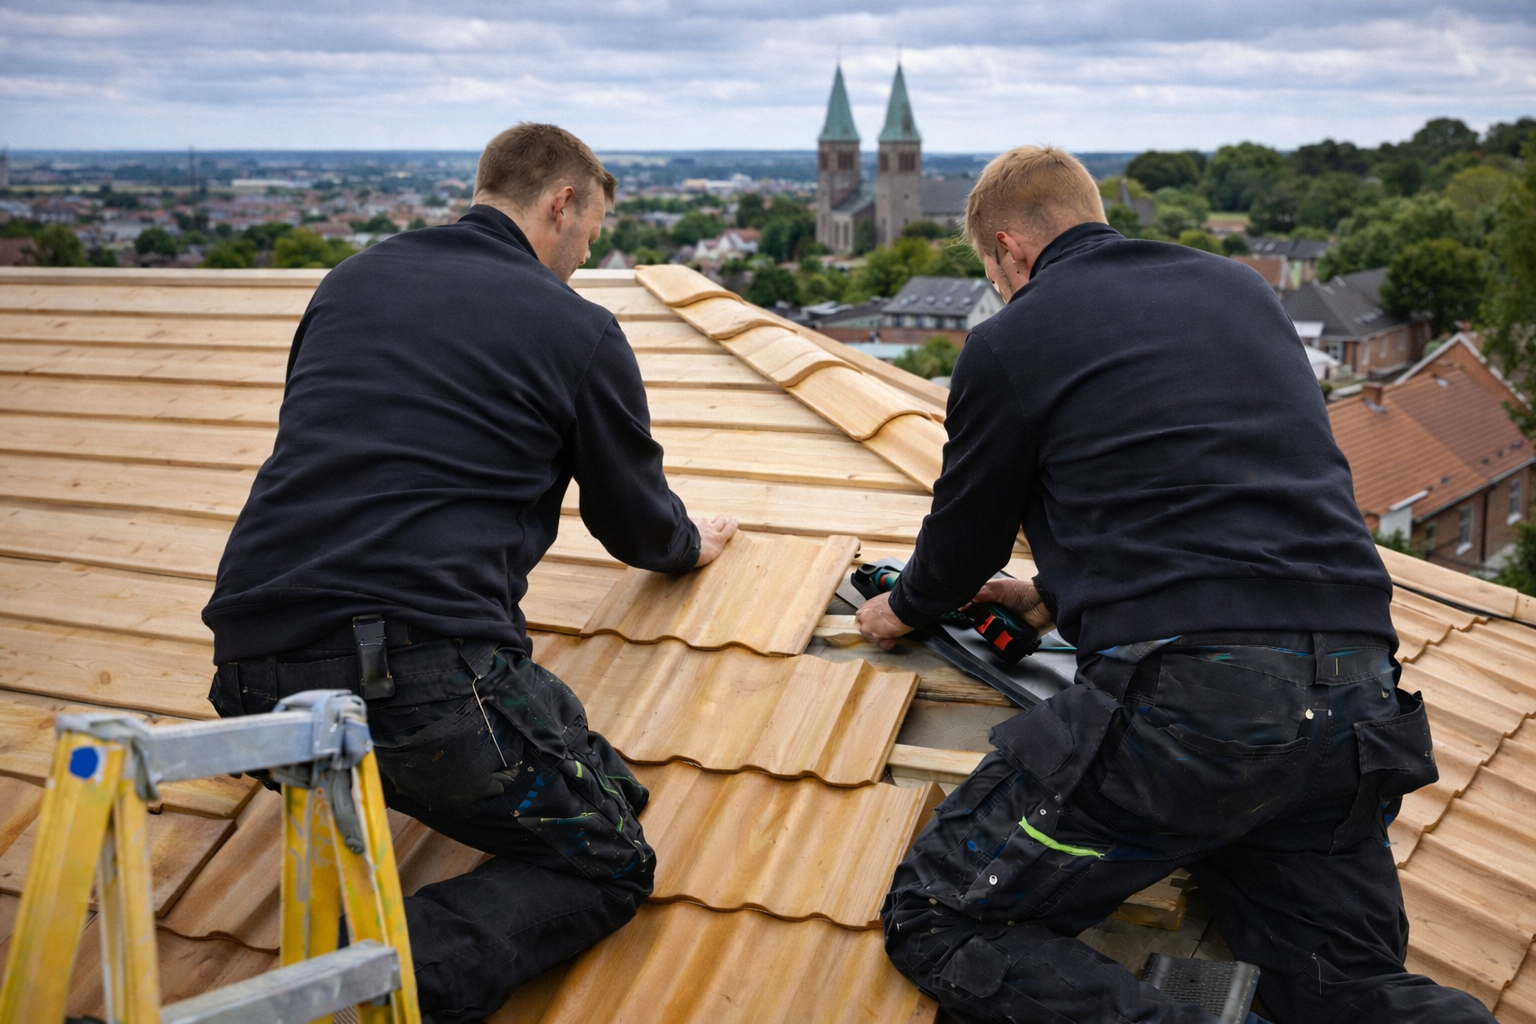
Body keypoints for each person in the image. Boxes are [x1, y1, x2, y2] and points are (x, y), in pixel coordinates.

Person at [856, 146, 1492, 1024]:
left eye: (994, 273)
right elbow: (1215, 490)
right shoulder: (1241, 292)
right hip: (1355, 699)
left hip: (1197, 709)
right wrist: (1055, 596)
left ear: (1009, 249)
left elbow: (963, 539)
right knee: (1343, 988)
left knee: (939, 914)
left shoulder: (1011, 338)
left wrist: (905, 605)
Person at [202, 123, 738, 1022]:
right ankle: (365, 988)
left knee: (590, 759)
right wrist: (695, 545)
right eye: (588, 236)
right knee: (609, 853)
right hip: (418, 681)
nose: (581, 259)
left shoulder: (353, 280)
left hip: (250, 674)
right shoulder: (577, 329)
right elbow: (633, 521)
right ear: (560, 202)